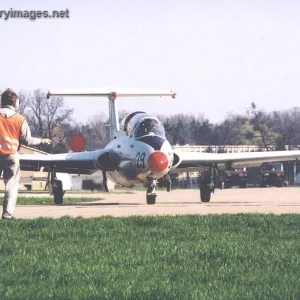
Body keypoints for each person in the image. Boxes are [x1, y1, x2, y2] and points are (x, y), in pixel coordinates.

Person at [0, 89, 51, 219]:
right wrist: (42, 141)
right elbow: (27, 140)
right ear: (16, 103)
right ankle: (6, 215)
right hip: (12, 155)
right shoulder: (20, 119)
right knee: (11, 185)